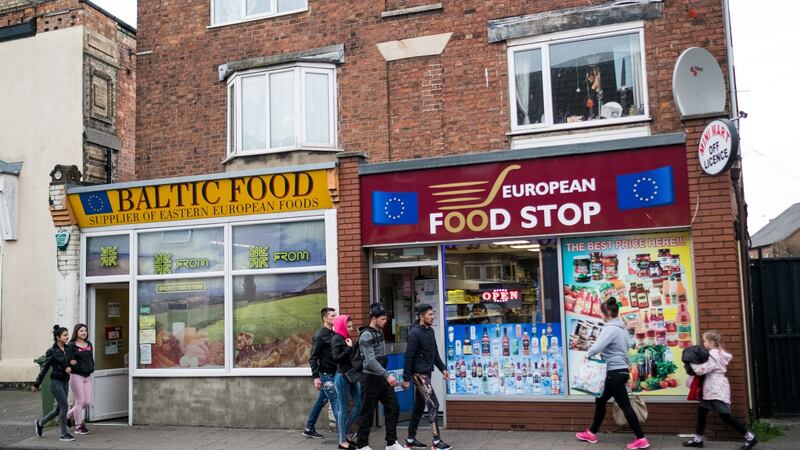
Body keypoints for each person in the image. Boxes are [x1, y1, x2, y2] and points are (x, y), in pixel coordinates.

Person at [576, 298, 650, 450]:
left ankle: (641, 438)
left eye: (601, 312)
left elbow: (598, 346)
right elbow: (626, 347)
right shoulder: (622, 328)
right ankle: (591, 433)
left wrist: (587, 355)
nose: (599, 315)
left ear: (607, 313)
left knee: (625, 405)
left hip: (614, 372)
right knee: (601, 400)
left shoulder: (610, 329)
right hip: (618, 371)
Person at [683, 330, 757, 449]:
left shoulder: (713, 354)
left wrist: (691, 362)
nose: (704, 343)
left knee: (725, 416)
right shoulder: (718, 352)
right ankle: (698, 439)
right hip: (713, 386)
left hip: (715, 387)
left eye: (705, 341)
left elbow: (701, 370)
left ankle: (750, 437)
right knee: (702, 411)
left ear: (711, 342)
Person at [355, 303, 406, 450]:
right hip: (369, 379)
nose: (385, 321)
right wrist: (387, 376)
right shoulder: (366, 335)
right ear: (374, 318)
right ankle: (362, 445)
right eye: (383, 319)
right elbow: (370, 360)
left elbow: (381, 356)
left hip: (381, 379)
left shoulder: (380, 332)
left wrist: (385, 376)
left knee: (394, 407)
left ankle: (391, 443)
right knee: (367, 413)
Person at [402, 303, 451, 450]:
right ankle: (436, 442)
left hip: (426, 372)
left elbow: (434, 353)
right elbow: (408, 357)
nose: (433, 316)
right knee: (433, 404)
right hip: (419, 375)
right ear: (421, 316)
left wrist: (443, 368)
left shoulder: (430, 331)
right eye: (430, 314)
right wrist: (406, 379)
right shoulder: (414, 332)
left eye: (432, 313)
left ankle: (410, 440)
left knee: (419, 406)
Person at [32, 325, 74, 442]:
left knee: (58, 409)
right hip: (56, 382)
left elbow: (68, 362)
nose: (67, 337)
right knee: (64, 406)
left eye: (67, 335)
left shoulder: (68, 348)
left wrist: (71, 364)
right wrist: (36, 384)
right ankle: (63, 434)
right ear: (57, 337)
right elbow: (45, 368)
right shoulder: (52, 351)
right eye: (65, 335)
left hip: (65, 380)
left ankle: (40, 423)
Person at [303, 307, 340, 439]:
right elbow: (313, 357)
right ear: (325, 318)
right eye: (332, 316)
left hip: (333, 373)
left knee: (320, 401)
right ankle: (344, 433)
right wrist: (316, 377)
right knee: (336, 402)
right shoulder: (320, 335)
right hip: (325, 375)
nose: (335, 318)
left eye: (336, 315)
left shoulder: (333, 334)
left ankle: (309, 427)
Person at [332, 314, 362, 449]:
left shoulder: (346, 337)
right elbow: (336, 358)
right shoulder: (336, 339)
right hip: (342, 377)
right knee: (343, 409)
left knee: (359, 404)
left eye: (351, 326)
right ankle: (342, 441)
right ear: (341, 326)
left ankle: (345, 432)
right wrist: (349, 349)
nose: (350, 328)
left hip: (352, 375)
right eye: (348, 326)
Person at [66, 323, 95, 435]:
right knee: (80, 401)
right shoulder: (71, 346)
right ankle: (79, 426)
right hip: (76, 375)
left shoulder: (89, 344)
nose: (84, 333)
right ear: (76, 332)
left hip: (87, 375)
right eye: (81, 331)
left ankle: (68, 415)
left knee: (86, 402)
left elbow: (90, 358)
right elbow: (69, 359)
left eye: (85, 331)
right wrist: (71, 362)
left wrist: (92, 366)